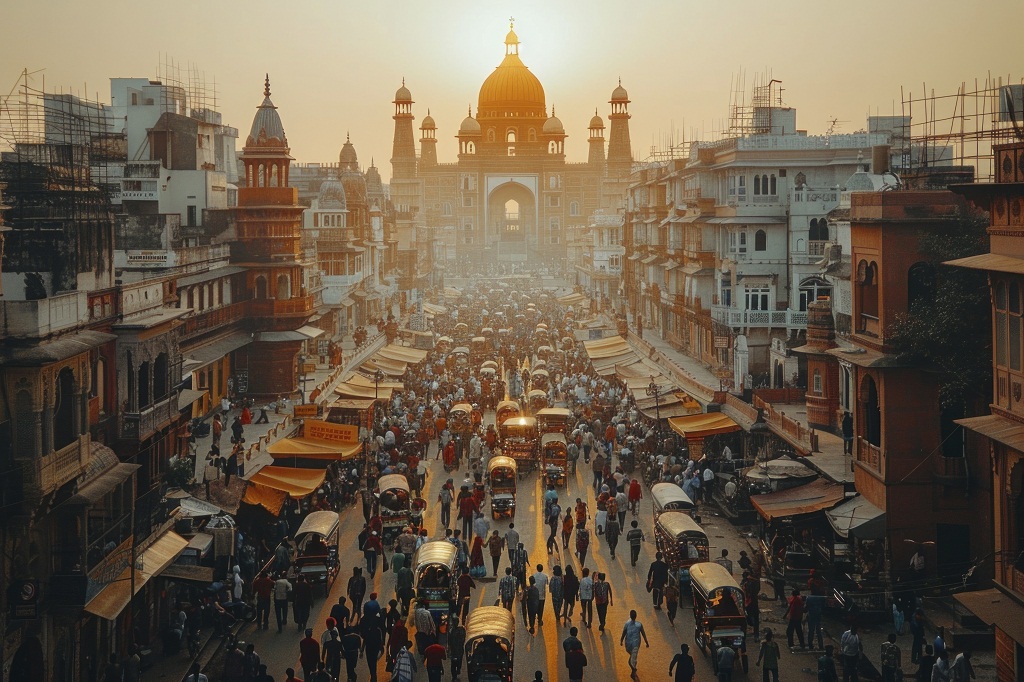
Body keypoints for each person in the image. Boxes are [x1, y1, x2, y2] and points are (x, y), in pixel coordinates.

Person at [619, 609, 650, 679]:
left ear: (630, 616)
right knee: (633, 659)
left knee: (632, 658)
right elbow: (643, 634)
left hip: (628, 644)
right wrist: (647, 643)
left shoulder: (627, 624)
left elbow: (624, 633)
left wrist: (621, 640)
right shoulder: (639, 625)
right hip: (636, 644)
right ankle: (633, 670)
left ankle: (633, 671)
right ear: (636, 616)